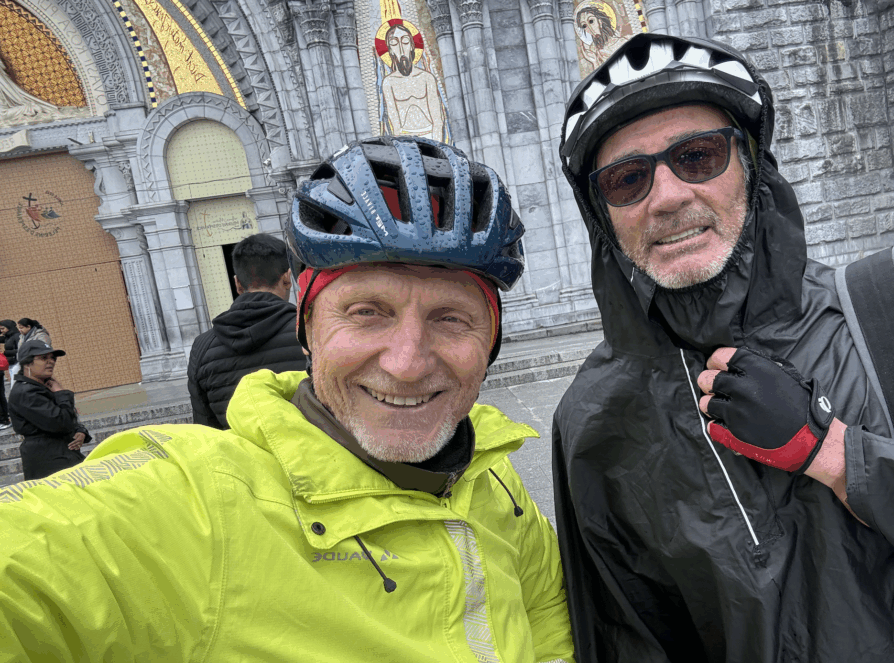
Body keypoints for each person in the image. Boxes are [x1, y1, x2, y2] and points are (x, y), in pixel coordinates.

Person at [0, 136, 575, 662]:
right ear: (306, 325)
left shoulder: (494, 482)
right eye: (367, 312)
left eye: (452, 318)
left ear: (491, 341)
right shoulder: (200, 504)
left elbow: (549, 624)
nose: (407, 362)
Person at [553, 33, 894, 662]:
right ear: (601, 215)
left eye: (697, 156)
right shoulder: (594, 421)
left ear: (751, 164)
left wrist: (835, 456)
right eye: (627, 178)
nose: (665, 197)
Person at [187, 233, 307, 429]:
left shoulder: (202, 347)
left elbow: (205, 430)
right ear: (287, 278)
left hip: (242, 458)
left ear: (238, 284)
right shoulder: (309, 330)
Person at [7, 340, 89, 479]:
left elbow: (69, 418)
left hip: (61, 453)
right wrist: (61, 394)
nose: (50, 362)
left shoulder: (43, 386)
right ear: (27, 362)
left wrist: (81, 431)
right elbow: (61, 422)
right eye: (43, 358)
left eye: (53, 358)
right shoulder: (26, 392)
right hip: (48, 459)